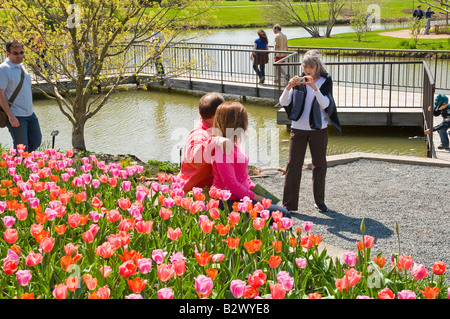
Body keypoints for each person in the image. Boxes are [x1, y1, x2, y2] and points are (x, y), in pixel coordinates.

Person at [279, 50, 340, 214]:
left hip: (318, 129)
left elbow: (326, 104)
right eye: (305, 66)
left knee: (319, 165)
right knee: (293, 165)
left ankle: (319, 202)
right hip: (298, 128)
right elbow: (283, 102)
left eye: (310, 67)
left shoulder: (326, 80)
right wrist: (288, 87)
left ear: (317, 66)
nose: (307, 70)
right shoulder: (298, 81)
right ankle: (289, 204)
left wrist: (314, 88)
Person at [211, 101, 291, 219]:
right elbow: (231, 184)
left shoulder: (235, 143)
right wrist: (256, 197)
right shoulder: (222, 149)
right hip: (230, 201)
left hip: (242, 195)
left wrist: (254, 189)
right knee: (283, 214)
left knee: (278, 211)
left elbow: (243, 175)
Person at [178, 92, 225, 193]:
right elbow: (196, 158)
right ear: (218, 114)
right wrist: (216, 141)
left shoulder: (211, 128)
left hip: (205, 188)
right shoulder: (199, 134)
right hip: (193, 191)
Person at [0, 40, 42, 152]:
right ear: (7, 53)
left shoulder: (21, 66)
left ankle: (22, 162)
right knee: (21, 148)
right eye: (15, 53)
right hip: (16, 115)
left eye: (21, 52)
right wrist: (11, 116)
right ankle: (18, 166)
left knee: (36, 141)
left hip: (30, 113)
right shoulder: (3, 69)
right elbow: (1, 94)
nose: (19, 55)